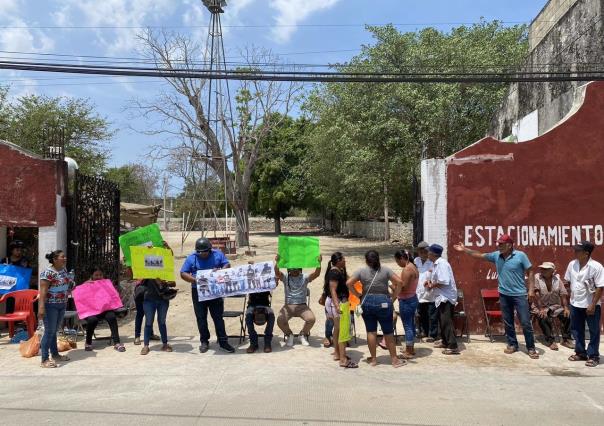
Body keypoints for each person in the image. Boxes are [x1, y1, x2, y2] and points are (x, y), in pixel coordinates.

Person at [454, 234, 539, 359]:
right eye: (498, 243)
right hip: (504, 294)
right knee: (508, 321)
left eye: (501, 244)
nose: (498, 246)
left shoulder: (521, 256)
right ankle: (512, 344)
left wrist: (531, 290)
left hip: (520, 295)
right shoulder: (496, 256)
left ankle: (531, 348)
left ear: (509, 245)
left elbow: (531, 271)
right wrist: (465, 249)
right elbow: (479, 255)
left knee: (525, 322)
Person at [347, 250, 405, 368]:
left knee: (371, 331)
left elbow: (349, 283)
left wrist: (358, 295)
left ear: (366, 260)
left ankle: (373, 359)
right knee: (388, 332)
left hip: (367, 302)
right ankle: (394, 359)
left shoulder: (361, 271)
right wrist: (393, 297)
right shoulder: (386, 270)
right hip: (383, 301)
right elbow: (400, 282)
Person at [180, 237, 235, 353]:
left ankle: (223, 341)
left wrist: (220, 271)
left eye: (204, 252)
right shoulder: (191, 258)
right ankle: (204, 341)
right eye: (199, 252)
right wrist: (194, 280)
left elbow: (227, 264)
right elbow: (183, 273)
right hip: (198, 291)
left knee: (218, 317)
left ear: (209, 250)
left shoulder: (218, 254)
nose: (202, 255)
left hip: (215, 291)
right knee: (201, 317)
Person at [564, 241, 604, 367]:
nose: (575, 252)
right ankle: (580, 352)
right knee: (576, 329)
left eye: (578, 250)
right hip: (575, 303)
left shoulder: (597, 267)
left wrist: (592, 304)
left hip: (590, 305)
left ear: (586, 253)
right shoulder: (572, 264)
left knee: (593, 331)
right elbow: (568, 281)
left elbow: (600, 287)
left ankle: (593, 356)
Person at [275, 254, 322, 347]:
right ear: (289, 269)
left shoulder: (304, 277)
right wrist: (277, 262)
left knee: (311, 319)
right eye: (292, 268)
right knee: (280, 320)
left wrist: (319, 263)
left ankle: (302, 334)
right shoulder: (285, 277)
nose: (294, 270)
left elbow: (316, 274)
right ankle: (289, 335)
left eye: (296, 268)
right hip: (288, 306)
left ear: (300, 268)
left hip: (302, 306)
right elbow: (277, 273)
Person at [38, 250, 74, 368]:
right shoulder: (47, 273)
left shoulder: (63, 270)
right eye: (62, 257)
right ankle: (44, 359)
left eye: (65, 257)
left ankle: (55, 355)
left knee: (54, 331)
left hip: (61, 304)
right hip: (50, 305)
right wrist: (41, 307)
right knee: (49, 332)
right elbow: (42, 292)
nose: (65, 259)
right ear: (54, 259)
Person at [324, 252, 356, 368]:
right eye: (343, 259)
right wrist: (337, 306)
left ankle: (338, 354)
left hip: (337, 302)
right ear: (338, 261)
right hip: (338, 303)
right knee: (342, 330)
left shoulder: (338, 271)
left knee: (337, 329)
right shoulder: (334, 272)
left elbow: (349, 280)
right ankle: (343, 359)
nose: (345, 261)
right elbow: (333, 290)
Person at [425, 244, 459, 355]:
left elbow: (444, 280)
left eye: (428, 252)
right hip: (441, 297)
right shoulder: (436, 264)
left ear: (433, 254)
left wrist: (432, 285)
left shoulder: (442, 264)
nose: (427, 254)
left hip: (446, 298)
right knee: (442, 320)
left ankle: (452, 346)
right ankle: (445, 341)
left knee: (446, 322)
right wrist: (430, 283)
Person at [531, 262, 572, 351]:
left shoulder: (557, 279)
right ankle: (550, 341)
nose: (542, 270)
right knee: (543, 317)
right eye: (542, 268)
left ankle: (566, 339)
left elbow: (563, 294)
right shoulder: (537, 277)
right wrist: (541, 308)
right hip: (540, 305)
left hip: (555, 306)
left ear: (552, 271)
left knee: (567, 315)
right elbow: (536, 293)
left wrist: (566, 308)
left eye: (546, 269)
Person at [83, 267, 125, 352]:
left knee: (112, 316)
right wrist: (85, 285)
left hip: (104, 310)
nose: (98, 277)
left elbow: (114, 296)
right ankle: (88, 342)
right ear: (92, 275)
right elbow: (82, 298)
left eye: (100, 275)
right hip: (91, 312)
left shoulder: (106, 284)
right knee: (92, 320)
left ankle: (117, 343)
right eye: (96, 275)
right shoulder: (87, 284)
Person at [139, 277, 176, 355]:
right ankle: (146, 346)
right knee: (148, 322)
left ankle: (165, 344)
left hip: (163, 299)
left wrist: (164, 283)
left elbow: (173, 283)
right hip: (149, 299)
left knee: (162, 322)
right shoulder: (145, 271)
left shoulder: (165, 270)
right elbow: (138, 280)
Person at [394, 249, 419, 359]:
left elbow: (403, 287)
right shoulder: (413, 267)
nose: (397, 264)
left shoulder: (407, 270)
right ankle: (410, 348)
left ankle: (409, 350)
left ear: (402, 258)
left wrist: (392, 285)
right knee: (411, 324)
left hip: (406, 300)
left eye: (397, 261)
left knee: (407, 326)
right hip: (412, 298)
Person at [245, 275, 276, 353]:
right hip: (252, 305)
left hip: (265, 305)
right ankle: (253, 343)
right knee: (248, 315)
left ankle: (267, 342)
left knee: (271, 315)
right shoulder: (250, 282)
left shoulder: (267, 282)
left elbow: (276, 282)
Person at [415, 241, 438, 342]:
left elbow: (436, 276)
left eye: (425, 251)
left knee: (432, 315)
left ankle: (433, 335)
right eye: (421, 251)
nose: (423, 253)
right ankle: (423, 332)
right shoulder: (416, 261)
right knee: (421, 314)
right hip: (418, 292)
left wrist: (431, 282)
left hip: (430, 292)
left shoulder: (432, 262)